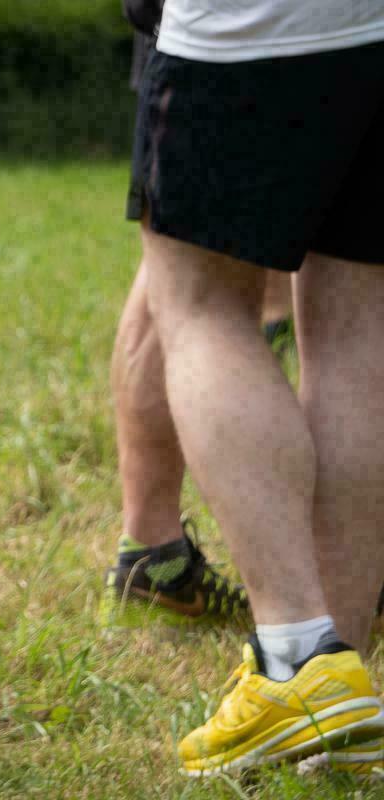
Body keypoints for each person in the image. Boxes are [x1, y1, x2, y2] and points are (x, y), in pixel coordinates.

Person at [128, 0, 384, 775]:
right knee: (357, 327)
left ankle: (296, 658)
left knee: (200, 305)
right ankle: (341, 683)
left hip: (246, 26)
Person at [103, 0, 249, 626]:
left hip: (202, 27)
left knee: (180, 275)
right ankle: (334, 586)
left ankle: (153, 554)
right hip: (231, 30)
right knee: (193, 280)